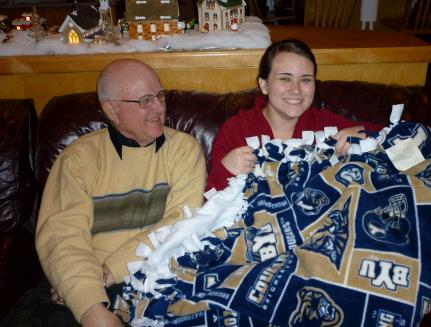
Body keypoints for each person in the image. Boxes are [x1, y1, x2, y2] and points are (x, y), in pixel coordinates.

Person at [2, 59, 207, 327]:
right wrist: (89, 303)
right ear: (112, 110)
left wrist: (108, 273)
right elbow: (62, 235)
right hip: (82, 281)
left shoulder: (183, 150)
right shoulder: (78, 159)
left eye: (160, 96)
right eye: (145, 100)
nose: (159, 107)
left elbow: (180, 223)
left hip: (157, 276)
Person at [206, 39, 381, 192]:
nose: (296, 89)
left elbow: (398, 138)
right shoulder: (235, 130)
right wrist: (226, 170)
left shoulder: (326, 125)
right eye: (285, 78)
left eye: (305, 80)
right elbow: (209, 203)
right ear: (264, 85)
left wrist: (364, 133)